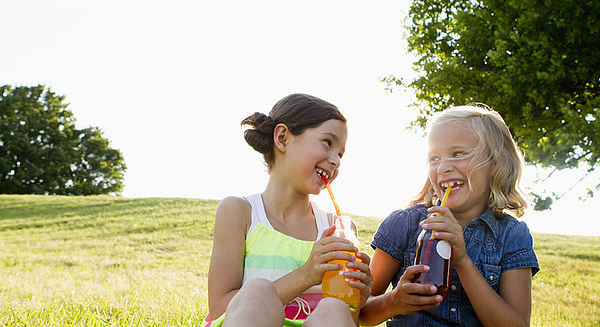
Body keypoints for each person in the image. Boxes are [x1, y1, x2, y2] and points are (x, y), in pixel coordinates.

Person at [359, 104, 540, 326]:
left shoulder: (511, 234)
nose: (443, 167)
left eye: (458, 154)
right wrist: (394, 301)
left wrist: (462, 261)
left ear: (495, 163)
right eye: (434, 157)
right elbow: (358, 313)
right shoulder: (404, 224)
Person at [202, 93, 372, 327]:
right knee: (258, 290)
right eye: (327, 143)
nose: (336, 161)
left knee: (333, 309)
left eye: (341, 154)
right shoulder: (240, 212)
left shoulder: (338, 228)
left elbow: (346, 319)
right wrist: (306, 275)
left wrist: (355, 299)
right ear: (282, 138)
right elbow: (220, 308)